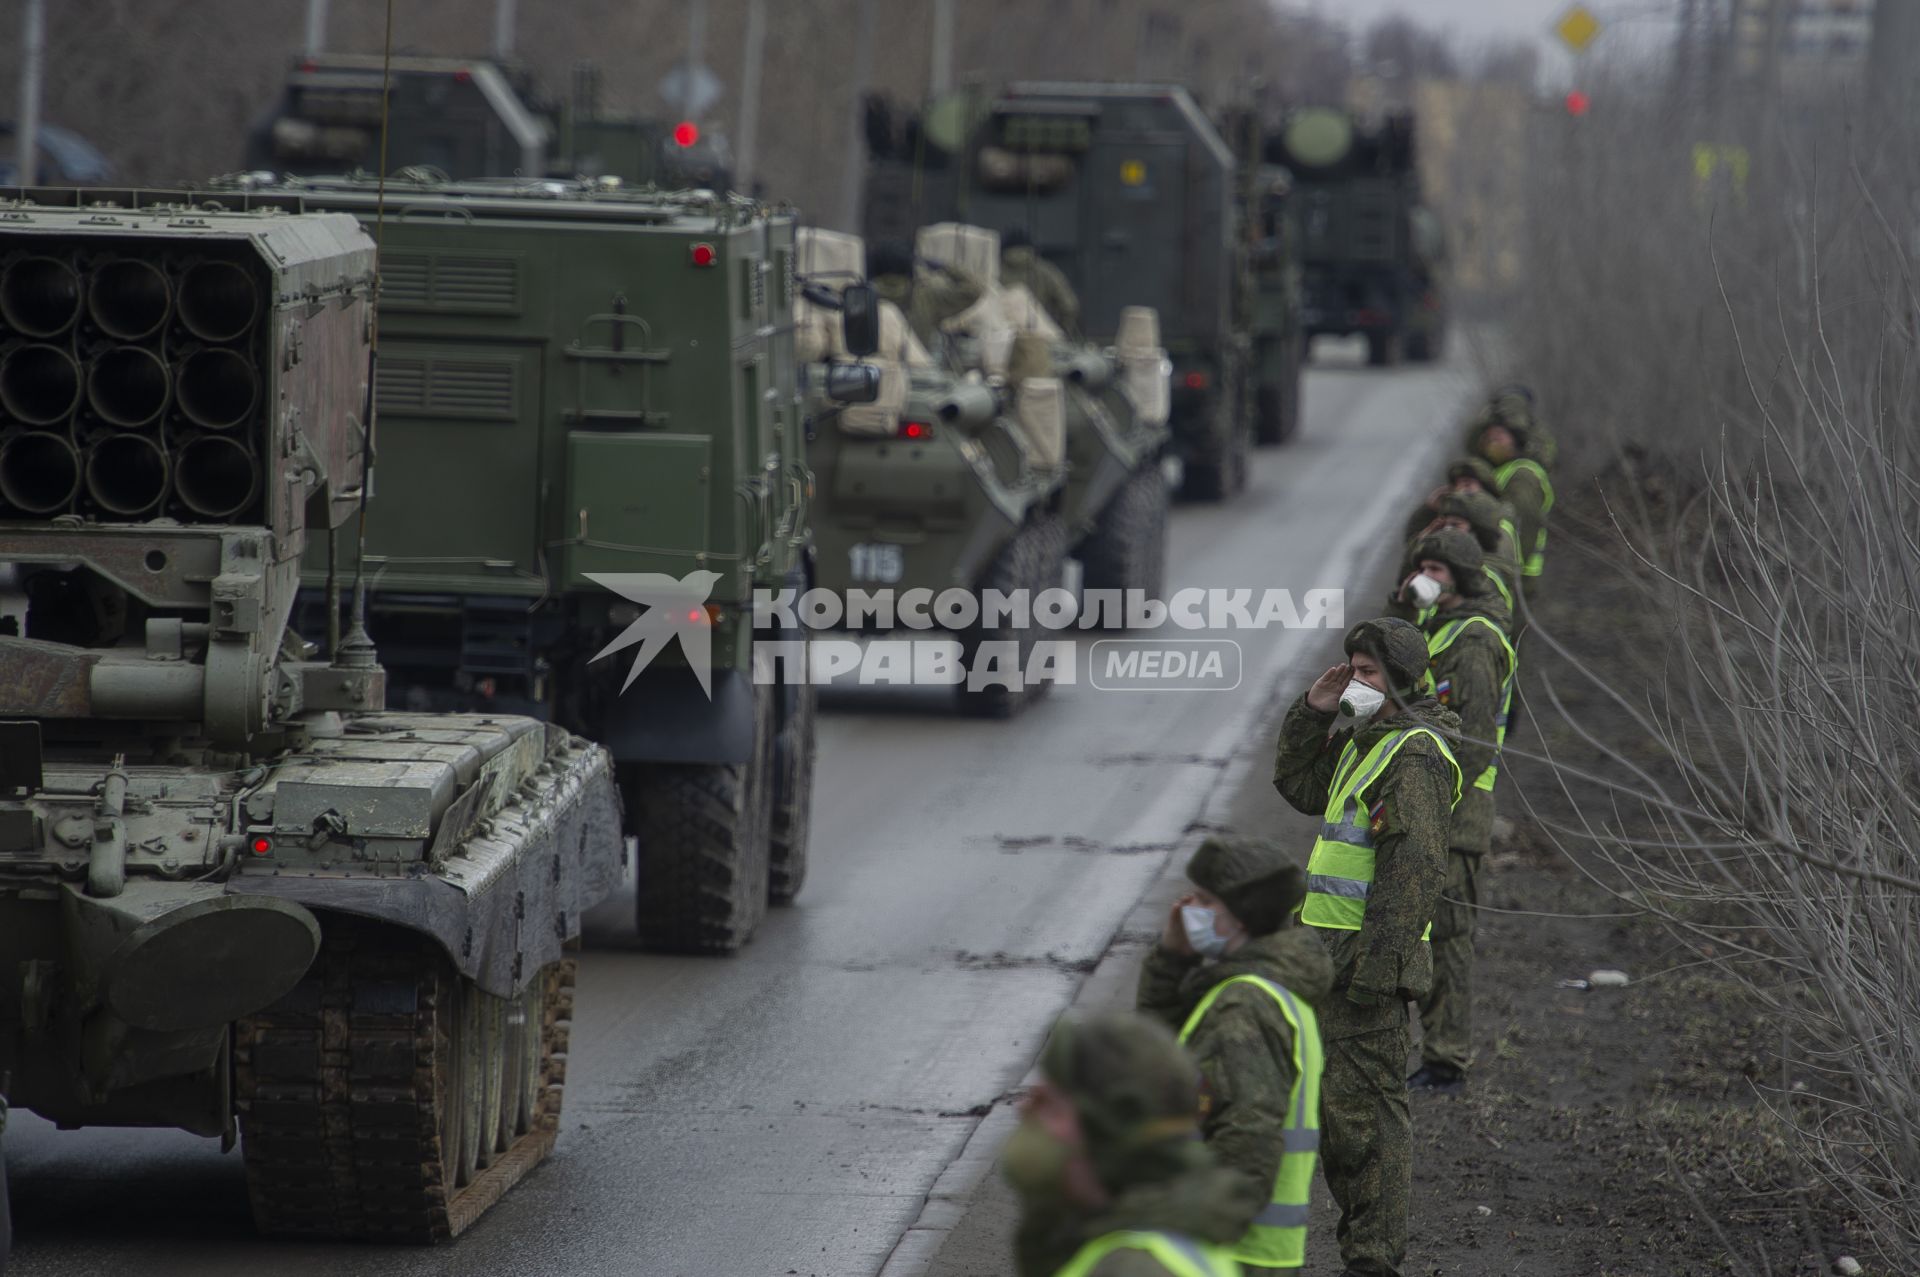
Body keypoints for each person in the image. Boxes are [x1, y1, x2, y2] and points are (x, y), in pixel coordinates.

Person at [1271, 618, 1462, 1277]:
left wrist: (1376, 973)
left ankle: (1374, 1258)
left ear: (1405, 680)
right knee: (1339, 1115)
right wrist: (1312, 710)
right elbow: (1299, 785)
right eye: (1353, 666)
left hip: (1362, 968)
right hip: (1331, 960)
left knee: (1369, 1120)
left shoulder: (1413, 755)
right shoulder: (1369, 741)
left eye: (1371, 670)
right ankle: (1365, 1250)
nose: (1357, 679)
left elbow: (1411, 874)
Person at [1137, 838, 1332, 1270]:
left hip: (1230, 1255)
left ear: (1242, 918)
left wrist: (1189, 1241)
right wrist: (1172, 960)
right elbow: (1159, 1053)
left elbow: (1249, 1136)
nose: (1190, 910)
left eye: (1206, 901)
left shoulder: (1244, 1007)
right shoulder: (1262, 988)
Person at [1393, 531, 1516, 1093]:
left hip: (1459, 813)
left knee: (1449, 935)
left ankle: (1446, 1058)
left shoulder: (1471, 643)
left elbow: (1477, 741)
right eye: (1422, 566)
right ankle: (1429, 1047)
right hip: (1432, 806)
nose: (1426, 577)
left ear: (1461, 579)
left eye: (1437, 569)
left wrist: (1436, 803)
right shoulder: (1436, 627)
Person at [1007, 1011, 1258, 1277]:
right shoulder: (1139, 1239)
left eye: (1050, 1104)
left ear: (1105, 1128)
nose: (1024, 1110)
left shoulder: (1134, 1267)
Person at [1465, 416, 1554, 586]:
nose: (1493, 443)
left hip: (1517, 575)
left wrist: (1511, 570)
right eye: (1488, 439)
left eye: (1498, 437)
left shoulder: (1522, 473)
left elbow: (1522, 522)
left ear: (1515, 441)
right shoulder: (1497, 473)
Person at [866, 237, 984, 352]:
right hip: (916, 366)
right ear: (909, 266)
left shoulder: (862, 296)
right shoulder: (926, 293)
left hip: (874, 365)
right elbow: (973, 289)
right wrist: (942, 266)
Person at [1000, 224, 1081, 336]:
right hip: (1040, 338)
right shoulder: (1046, 271)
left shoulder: (994, 271)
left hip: (999, 341)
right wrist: (1062, 331)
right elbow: (1070, 306)